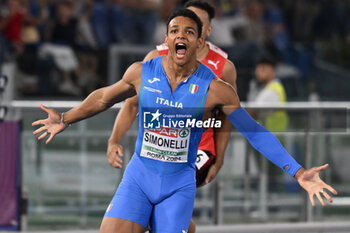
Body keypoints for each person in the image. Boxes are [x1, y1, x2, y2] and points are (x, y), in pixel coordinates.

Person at [33, 9, 337, 233]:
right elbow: (103, 98)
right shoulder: (142, 71)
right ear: (166, 39)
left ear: (200, 41)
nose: (181, 35)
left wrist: (298, 173)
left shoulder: (217, 89)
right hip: (139, 176)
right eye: (175, 30)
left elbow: (254, 132)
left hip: (178, 184)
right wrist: (65, 118)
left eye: (189, 31)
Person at [106, 1, 237, 232]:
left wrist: (220, 158)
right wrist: (114, 139)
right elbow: (131, 104)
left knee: (168, 186)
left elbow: (228, 117)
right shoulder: (155, 59)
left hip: (200, 149)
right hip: (158, 143)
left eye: (192, 27)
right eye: (178, 27)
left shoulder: (223, 68)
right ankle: (183, 226)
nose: (183, 32)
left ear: (205, 31)